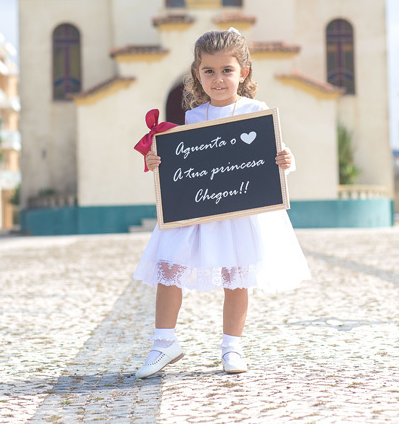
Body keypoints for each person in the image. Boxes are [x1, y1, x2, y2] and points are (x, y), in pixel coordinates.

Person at [133, 28, 310, 377]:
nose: (218, 79)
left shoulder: (256, 112)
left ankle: (232, 347)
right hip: (196, 208)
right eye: (209, 71)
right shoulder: (194, 117)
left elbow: (271, 156)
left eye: (226, 70)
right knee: (169, 267)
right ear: (197, 73)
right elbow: (186, 161)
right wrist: (158, 161)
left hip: (238, 211)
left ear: (242, 72)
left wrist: (286, 159)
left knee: (236, 275)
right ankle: (163, 343)